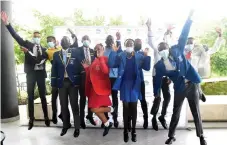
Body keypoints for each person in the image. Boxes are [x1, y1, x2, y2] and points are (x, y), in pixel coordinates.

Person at [152, 10, 207, 145]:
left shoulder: (177, 49)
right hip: (179, 88)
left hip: (191, 82)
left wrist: (189, 19)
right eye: (161, 51)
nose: (163, 51)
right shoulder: (159, 66)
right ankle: (171, 136)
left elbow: (184, 34)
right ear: (159, 53)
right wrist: (156, 94)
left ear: (168, 48)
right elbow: (156, 79)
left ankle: (201, 137)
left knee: (196, 112)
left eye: (164, 48)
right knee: (175, 112)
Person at [1, 11, 50, 130]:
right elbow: (16, 36)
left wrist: (29, 53)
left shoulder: (44, 50)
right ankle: (31, 119)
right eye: (35, 37)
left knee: (43, 97)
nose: (37, 38)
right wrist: (7, 24)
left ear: (40, 38)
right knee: (30, 97)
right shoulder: (27, 44)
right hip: (31, 75)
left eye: (38, 37)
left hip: (40, 74)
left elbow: (38, 60)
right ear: (33, 38)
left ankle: (46, 117)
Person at [108, 39, 151, 142]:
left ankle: (134, 131)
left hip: (135, 85)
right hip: (124, 85)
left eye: (131, 44)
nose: (130, 45)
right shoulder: (120, 55)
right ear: (125, 45)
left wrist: (146, 56)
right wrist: (113, 52)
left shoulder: (139, 56)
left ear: (134, 45)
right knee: (126, 108)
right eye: (128, 44)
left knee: (134, 108)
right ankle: (125, 131)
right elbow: (111, 64)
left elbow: (147, 68)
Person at [81, 43, 115, 136]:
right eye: (96, 49)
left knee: (94, 109)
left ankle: (111, 109)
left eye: (99, 49)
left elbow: (105, 71)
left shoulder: (106, 59)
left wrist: (101, 58)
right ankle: (107, 123)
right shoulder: (94, 61)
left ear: (103, 49)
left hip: (101, 89)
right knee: (94, 109)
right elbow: (91, 75)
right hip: (93, 90)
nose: (97, 51)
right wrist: (87, 68)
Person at [51, 36, 80, 137]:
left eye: (67, 41)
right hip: (61, 83)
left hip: (73, 83)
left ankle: (77, 127)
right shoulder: (56, 54)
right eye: (63, 41)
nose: (65, 42)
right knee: (63, 105)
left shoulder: (75, 52)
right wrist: (54, 84)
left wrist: (78, 81)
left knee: (74, 105)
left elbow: (79, 67)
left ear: (69, 43)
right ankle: (66, 125)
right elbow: (53, 69)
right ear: (61, 43)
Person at [146, 18, 172, 130]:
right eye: (161, 47)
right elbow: (151, 41)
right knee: (157, 98)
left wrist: (170, 77)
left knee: (168, 97)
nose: (163, 49)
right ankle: (154, 118)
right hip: (156, 77)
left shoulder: (169, 53)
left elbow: (170, 66)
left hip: (165, 78)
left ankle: (162, 116)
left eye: (165, 47)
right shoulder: (157, 50)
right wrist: (149, 27)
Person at [75, 35, 96, 129]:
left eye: (88, 39)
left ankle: (90, 116)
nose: (86, 41)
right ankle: (81, 119)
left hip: (91, 78)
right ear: (82, 41)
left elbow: (95, 63)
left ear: (90, 41)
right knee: (82, 99)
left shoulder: (92, 51)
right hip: (82, 77)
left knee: (91, 98)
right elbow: (75, 63)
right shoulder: (77, 50)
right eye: (84, 39)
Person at [103, 32, 122, 128]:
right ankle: (105, 119)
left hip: (114, 77)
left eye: (111, 40)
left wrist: (119, 40)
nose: (110, 42)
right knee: (105, 98)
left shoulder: (116, 49)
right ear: (106, 41)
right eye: (108, 40)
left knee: (114, 98)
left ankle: (115, 118)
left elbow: (120, 55)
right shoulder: (103, 50)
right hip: (105, 77)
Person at [46, 36, 62, 124]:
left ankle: (62, 114)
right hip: (54, 76)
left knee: (63, 97)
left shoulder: (61, 48)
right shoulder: (47, 51)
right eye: (48, 41)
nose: (49, 42)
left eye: (51, 41)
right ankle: (54, 115)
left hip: (63, 75)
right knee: (54, 97)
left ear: (55, 41)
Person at [133, 39, 149, 129]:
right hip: (131, 81)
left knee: (143, 100)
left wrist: (146, 56)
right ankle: (132, 120)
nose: (139, 44)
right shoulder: (129, 53)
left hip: (140, 80)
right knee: (132, 101)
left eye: (140, 42)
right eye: (137, 42)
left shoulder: (143, 54)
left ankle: (146, 119)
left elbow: (147, 68)